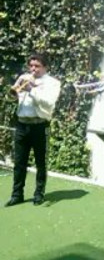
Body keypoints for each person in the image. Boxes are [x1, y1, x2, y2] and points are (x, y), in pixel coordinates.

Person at [6, 53, 61, 207]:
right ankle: (17, 195)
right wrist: (15, 92)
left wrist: (32, 90)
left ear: (45, 67)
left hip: (39, 125)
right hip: (22, 125)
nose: (33, 69)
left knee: (41, 163)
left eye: (37, 66)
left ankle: (39, 194)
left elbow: (49, 102)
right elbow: (11, 97)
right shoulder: (24, 77)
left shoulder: (52, 83)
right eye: (31, 65)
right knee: (19, 162)